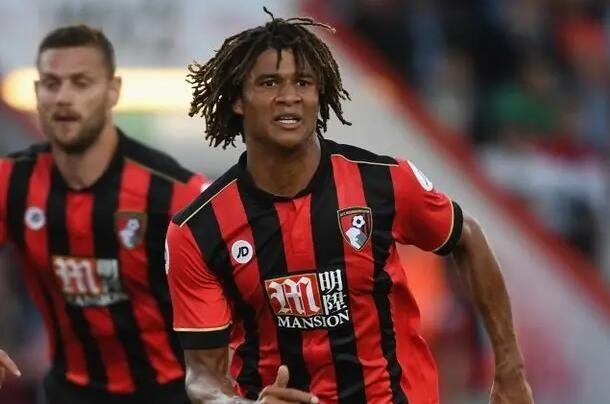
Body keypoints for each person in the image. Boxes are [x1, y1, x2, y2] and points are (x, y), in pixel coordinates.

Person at [166, 9, 534, 404]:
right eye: (270, 83)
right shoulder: (198, 230)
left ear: (318, 94)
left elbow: (468, 238)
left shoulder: (384, 182)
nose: (289, 97)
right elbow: (203, 377)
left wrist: (509, 369)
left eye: (303, 82)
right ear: (238, 100)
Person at [0, 25, 208, 403]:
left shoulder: (176, 191)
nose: (64, 97)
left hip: (171, 394)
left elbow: (248, 281)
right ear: (37, 93)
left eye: (81, 83)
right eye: (51, 84)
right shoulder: (11, 183)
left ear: (113, 90)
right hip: (68, 393)